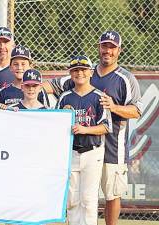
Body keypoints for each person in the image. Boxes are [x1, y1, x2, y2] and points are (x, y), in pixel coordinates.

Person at [45, 31, 143, 225]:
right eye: (104, 46)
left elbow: (137, 110)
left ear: (119, 50)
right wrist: (29, 93)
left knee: (111, 194)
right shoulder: (85, 73)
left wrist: (113, 107)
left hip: (114, 146)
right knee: (79, 197)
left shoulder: (125, 78)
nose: (107, 50)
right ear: (99, 48)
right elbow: (49, 86)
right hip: (82, 146)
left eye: (112, 47)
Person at [56, 56, 112, 225]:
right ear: (70, 73)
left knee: (88, 200)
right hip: (71, 152)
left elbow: (106, 127)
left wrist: (84, 129)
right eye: (75, 70)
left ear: (90, 72)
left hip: (92, 152)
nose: (79, 73)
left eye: (83, 69)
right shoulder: (65, 97)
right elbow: (56, 124)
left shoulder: (98, 96)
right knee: (72, 200)